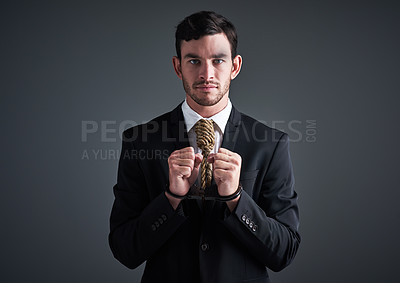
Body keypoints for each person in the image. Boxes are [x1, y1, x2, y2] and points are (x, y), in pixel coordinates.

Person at [109, 11, 300, 283]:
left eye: (218, 60)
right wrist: (171, 198)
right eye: (194, 61)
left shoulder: (271, 144)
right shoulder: (139, 141)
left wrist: (236, 198)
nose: (206, 74)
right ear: (178, 67)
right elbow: (124, 250)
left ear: (235, 66)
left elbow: (284, 252)